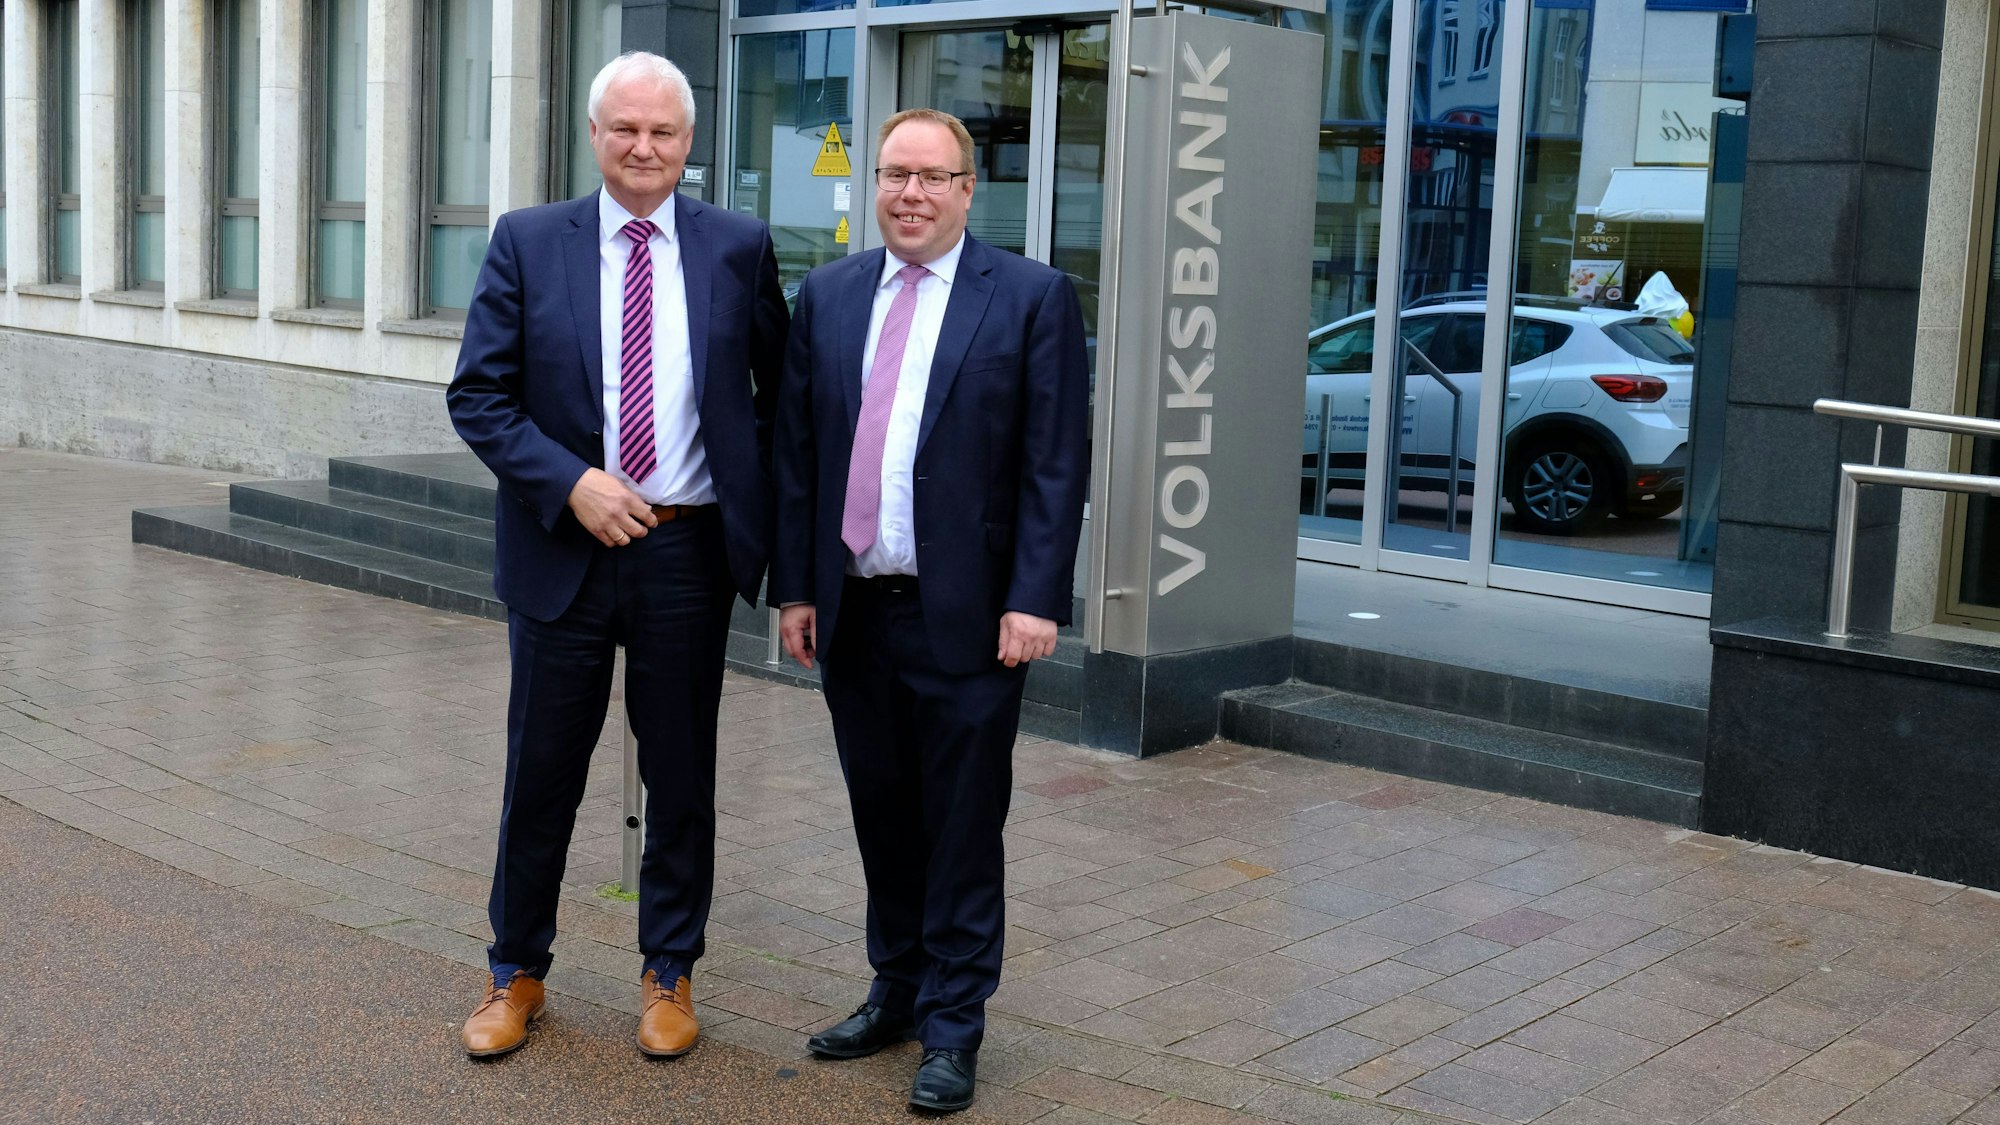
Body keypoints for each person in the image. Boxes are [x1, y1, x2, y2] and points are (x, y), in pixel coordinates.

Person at [445, 51, 786, 1060]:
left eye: (664, 132)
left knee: (680, 775)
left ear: (689, 141)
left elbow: (778, 400)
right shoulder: (527, 242)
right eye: (625, 130)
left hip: (686, 553)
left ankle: (668, 973)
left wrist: (764, 529)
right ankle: (517, 975)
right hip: (566, 552)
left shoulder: (737, 246)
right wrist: (570, 483)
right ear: (595, 137)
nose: (645, 148)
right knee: (540, 772)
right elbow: (478, 396)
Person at [770, 108, 1090, 1113]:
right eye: (895, 174)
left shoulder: (1030, 297)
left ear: (966, 189)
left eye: (932, 177)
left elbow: (1054, 462)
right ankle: (895, 991)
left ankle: (954, 1025)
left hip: (971, 621)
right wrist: (795, 586)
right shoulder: (825, 297)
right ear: (875, 183)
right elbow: (797, 460)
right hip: (854, 614)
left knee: (960, 828)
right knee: (881, 817)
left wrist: (1036, 599)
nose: (910, 194)